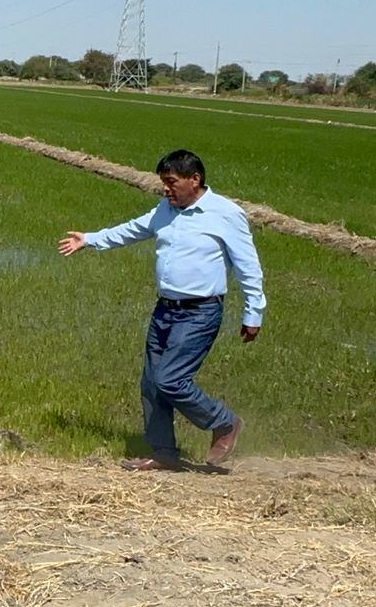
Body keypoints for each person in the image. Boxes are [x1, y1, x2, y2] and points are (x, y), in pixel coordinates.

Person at [57, 149, 265, 470]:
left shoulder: (226, 214)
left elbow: (248, 267)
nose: (165, 189)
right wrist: (90, 239)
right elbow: (132, 229)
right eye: (163, 183)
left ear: (195, 180)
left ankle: (224, 422)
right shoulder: (166, 210)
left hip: (200, 312)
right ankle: (163, 453)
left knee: (171, 379)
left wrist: (254, 313)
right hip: (165, 310)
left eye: (172, 182)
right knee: (152, 383)